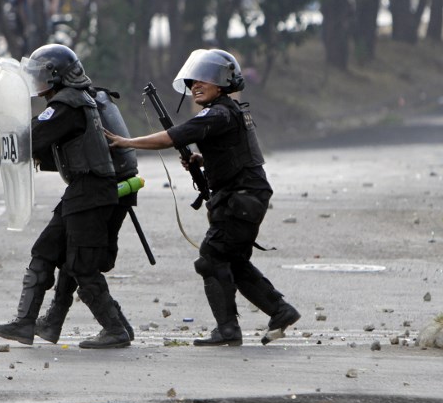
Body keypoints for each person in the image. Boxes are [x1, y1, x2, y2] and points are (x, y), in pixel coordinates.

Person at [105, 48, 301, 346]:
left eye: (204, 80)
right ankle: (280, 311)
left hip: (241, 199)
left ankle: (228, 329)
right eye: (193, 80)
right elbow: (238, 156)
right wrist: (201, 160)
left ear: (222, 84)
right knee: (232, 261)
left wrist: (126, 142)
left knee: (210, 258)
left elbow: (171, 137)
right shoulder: (227, 112)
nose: (196, 84)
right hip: (243, 196)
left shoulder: (218, 113)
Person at [0, 44, 133, 349]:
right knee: (46, 251)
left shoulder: (69, 103)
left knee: (81, 265)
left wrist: (15, 128)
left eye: (41, 75)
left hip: (91, 193)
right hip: (82, 191)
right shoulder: (71, 102)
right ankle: (28, 324)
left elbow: (35, 136)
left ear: (57, 77)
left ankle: (115, 329)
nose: (36, 82)